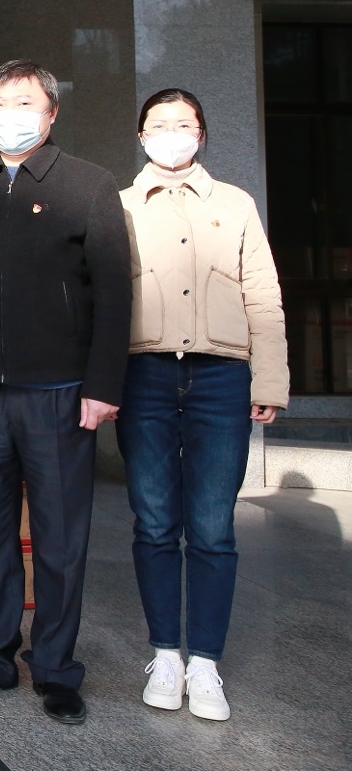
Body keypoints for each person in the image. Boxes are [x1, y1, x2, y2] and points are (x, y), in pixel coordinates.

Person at [0, 59, 131, 725]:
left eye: (22, 103)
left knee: (60, 539)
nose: (7, 115)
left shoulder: (89, 185)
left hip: (60, 392)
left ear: (50, 113)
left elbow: (114, 293)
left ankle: (56, 668)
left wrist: (102, 385)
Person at [117, 88, 287, 723]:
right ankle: (165, 653)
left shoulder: (235, 204)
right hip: (144, 375)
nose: (172, 133)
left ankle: (206, 662)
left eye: (184, 124)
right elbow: (104, 300)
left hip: (222, 377)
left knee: (214, 526)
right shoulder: (120, 205)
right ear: (141, 137)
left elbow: (262, 293)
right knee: (155, 521)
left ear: (202, 134)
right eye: (159, 124)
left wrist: (269, 380)